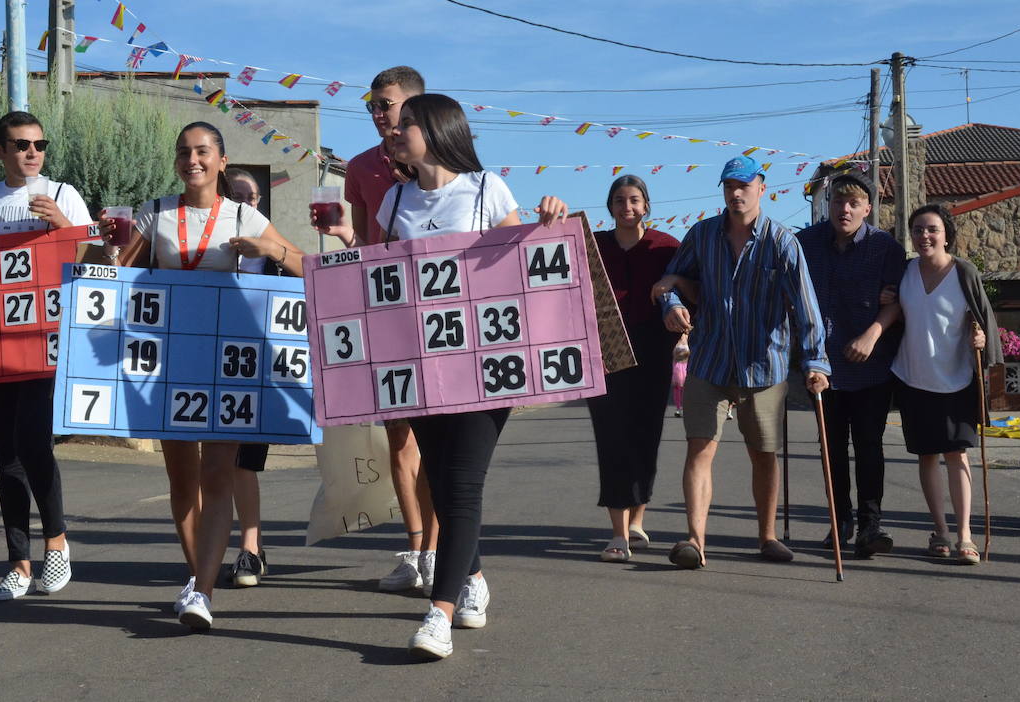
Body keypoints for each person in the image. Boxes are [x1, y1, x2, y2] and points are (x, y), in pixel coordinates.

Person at [317, 93, 568, 660]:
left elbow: (519, 265)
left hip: (483, 365)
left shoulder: (487, 189)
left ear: (436, 130)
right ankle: (472, 579)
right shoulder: (397, 198)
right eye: (396, 123)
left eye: (406, 123)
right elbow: (380, 276)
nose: (396, 130)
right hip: (420, 365)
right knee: (444, 479)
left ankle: (441, 612)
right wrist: (343, 242)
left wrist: (545, 226)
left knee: (462, 484)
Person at [101, 122, 305, 629]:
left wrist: (270, 251)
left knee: (217, 474)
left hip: (225, 360)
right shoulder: (155, 213)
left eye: (202, 152)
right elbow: (114, 277)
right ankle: (199, 579)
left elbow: (306, 264)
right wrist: (105, 248)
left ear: (220, 160)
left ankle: (203, 591)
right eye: (184, 152)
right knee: (181, 479)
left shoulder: (241, 213)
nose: (192, 160)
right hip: (169, 361)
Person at [650, 155, 830, 569]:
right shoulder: (702, 234)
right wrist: (671, 307)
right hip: (710, 360)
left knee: (763, 453)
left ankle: (767, 536)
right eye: (729, 185)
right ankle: (695, 540)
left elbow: (807, 307)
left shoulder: (782, 242)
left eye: (744, 185)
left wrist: (816, 362)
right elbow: (672, 277)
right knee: (699, 448)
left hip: (763, 366)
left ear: (761, 189)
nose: (736, 193)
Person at [0, 110, 92, 601]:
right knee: (6, 455)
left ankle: (57, 543)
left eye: (38, 144)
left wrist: (63, 227)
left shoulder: (63, 194)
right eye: (19, 145)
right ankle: (18, 564)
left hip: (45, 337)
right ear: (0, 151)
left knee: (33, 441)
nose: (31, 152)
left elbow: (96, 264)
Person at [342, 66, 440, 594]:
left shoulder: (449, 163)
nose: (380, 115)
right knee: (399, 440)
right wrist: (342, 239)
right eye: (373, 107)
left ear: (417, 108)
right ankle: (416, 548)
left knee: (439, 441)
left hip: (441, 320)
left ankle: (439, 551)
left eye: (387, 105)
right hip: (387, 314)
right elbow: (363, 246)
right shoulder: (359, 168)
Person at [794, 172, 906, 558]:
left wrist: (872, 334)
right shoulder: (805, 243)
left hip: (871, 365)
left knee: (870, 447)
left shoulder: (885, 247)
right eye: (838, 202)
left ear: (867, 208)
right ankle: (839, 522)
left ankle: (870, 525)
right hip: (821, 365)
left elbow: (897, 299)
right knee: (831, 448)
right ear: (828, 205)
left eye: (853, 203)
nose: (845, 209)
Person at [889, 204, 1001, 566]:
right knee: (926, 455)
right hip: (914, 376)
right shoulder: (906, 272)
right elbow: (896, 311)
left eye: (932, 229)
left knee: (957, 454)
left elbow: (983, 319)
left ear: (946, 234)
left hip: (956, 379)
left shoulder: (963, 272)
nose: (924, 236)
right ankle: (940, 531)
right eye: (918, 230)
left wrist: (981, 339)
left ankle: (965, 535)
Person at [587, 175, 687, 562]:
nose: (626, 207)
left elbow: (688, 290)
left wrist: (683, 333)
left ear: (646, 205)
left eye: (634, 200)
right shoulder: (592, 245)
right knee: (612, 438)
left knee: (646, 436)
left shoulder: (667, 247)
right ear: (609, 206)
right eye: (618, 200)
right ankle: (617, 533)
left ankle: (636, 519)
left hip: (652, 350)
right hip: (603, 352)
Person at [221, 167, 280, 586]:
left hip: (256, 364)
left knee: (245, 460)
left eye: (254, 196)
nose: (248, 203)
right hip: (206, 357)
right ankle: (204, 556)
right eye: (239, 195)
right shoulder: (204, 242)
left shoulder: (272, 247)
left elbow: (308, 274)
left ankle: (250, 548)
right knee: (212, 462)